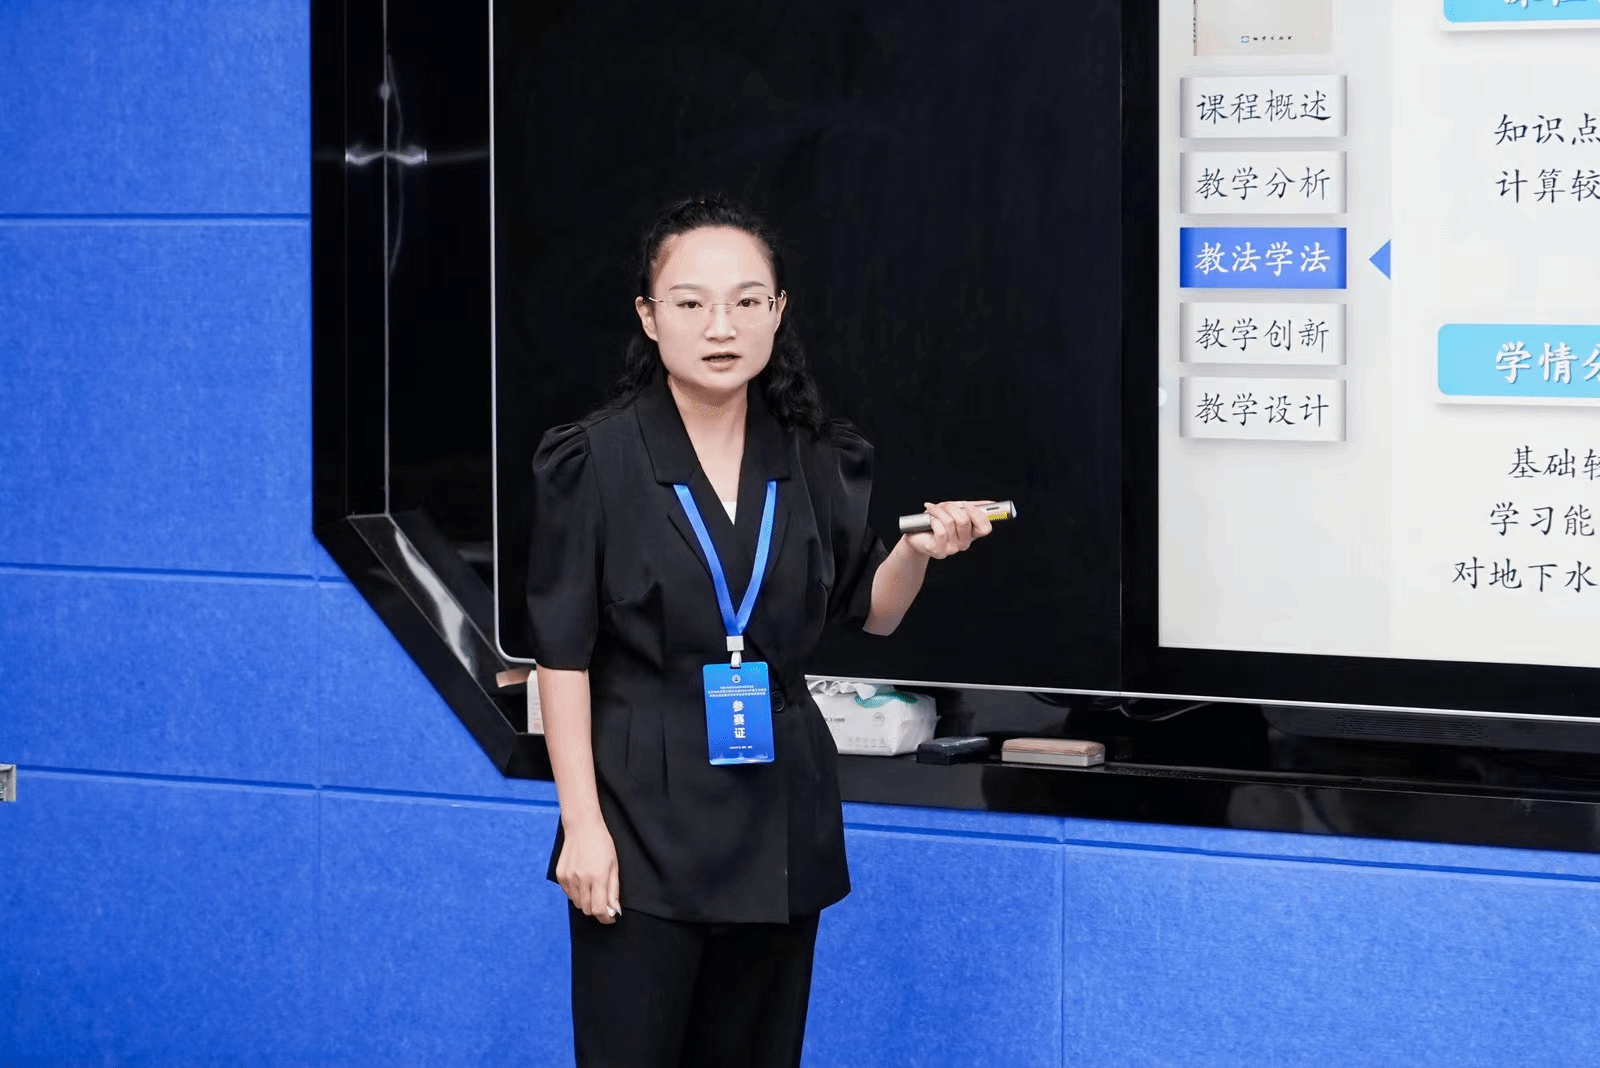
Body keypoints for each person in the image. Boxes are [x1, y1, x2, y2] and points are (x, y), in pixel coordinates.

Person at [526, 194, 994, 1067]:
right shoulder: (593, 459)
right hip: (637, 815)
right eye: (692, 302)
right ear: (649, 316)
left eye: (747, 300)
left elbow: (874, 611)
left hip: (778, 809)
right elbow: (562, 655)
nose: (721, 326)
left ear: (778, 312)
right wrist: (580, 826)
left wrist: (918, 551)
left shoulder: (817, 454)